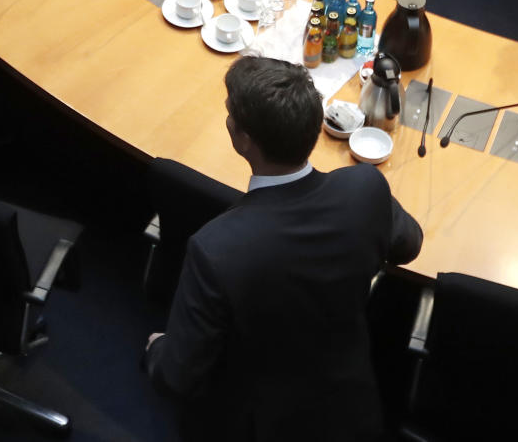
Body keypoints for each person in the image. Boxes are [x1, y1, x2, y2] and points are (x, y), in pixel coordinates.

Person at [144, 56, 423, 441]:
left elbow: (177, 379)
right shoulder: (364, 189)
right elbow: (409, 244)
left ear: (242, 140)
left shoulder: (214, 249)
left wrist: (158, 349)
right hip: (350, 413)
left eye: (231, 115)